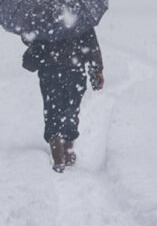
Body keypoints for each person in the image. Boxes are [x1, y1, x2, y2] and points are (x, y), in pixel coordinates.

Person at [22, 28, 104, 173]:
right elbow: (91, 44)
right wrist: (96, 70)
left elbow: (27, 38)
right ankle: (67, 148)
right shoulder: (79, 14)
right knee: (71, 109)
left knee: (52, 108)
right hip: (74, 69)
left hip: (50, 70)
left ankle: (58, 152)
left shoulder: (40, 14)